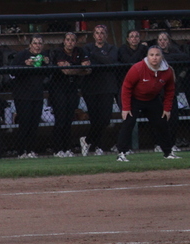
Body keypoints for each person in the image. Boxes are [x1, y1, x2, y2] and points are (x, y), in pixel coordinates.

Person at [116, 46, 180, 162]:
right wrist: (126, 107)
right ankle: (121, 153)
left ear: (162, 57)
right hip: (134, 99)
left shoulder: (167, 71)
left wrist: (167, 109)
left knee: (162, 124)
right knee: (128, 123)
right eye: (151, 55)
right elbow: (126, 87)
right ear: (147, 56)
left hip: (152, 99)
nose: (154, 57)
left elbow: (170, 90)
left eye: (157, 55)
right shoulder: (138, 68)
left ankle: (168, 152)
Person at [49, 32, 90, 157]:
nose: (70, 42)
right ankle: (58, 149)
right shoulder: (58, 52)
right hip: (58, 88)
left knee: (69, 119)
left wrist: (73, 68)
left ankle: (67, 149)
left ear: (75, 42)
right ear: (64, 41)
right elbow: (65, 71)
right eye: (68, 40)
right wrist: (79, 68)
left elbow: (88, 69)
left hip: (72, 88)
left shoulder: (80, 51)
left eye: (72, 40)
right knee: (60, 119)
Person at [80, 25, 118, 157]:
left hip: (107, 87)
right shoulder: (87, 48)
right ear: (93, 35)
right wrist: (101, 59)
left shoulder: (112, 48)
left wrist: (94, 56)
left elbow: (111, 61)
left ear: (106, 35)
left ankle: (87, 140)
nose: (100, 35)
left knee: (105, 119)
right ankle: (98, 146)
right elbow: (86, 62)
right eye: (97, 33)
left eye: (102, 33)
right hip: (91, 88)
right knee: (95, 119)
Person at [10, 35, 50, 158]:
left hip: (37, 95)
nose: (37, 46)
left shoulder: (43, 57)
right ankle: (21, 151)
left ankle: (31, 150)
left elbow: (48, 73)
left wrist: (47, 63)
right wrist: (25, 64)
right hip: (22, 95)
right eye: (35, 43)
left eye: (40, 43)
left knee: (34, 124)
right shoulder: (22, 55)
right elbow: (11, 71)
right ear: (30, 45)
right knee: (25, 123)